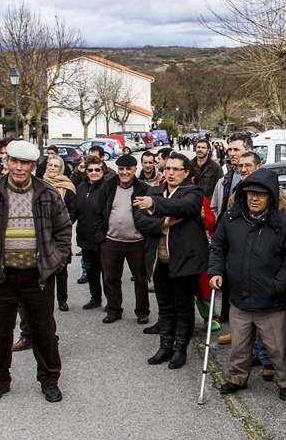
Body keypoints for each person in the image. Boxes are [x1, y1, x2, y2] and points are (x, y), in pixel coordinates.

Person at [0, 140, 71, 403]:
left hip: (38, 276)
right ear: (6, 163)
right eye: (14, 161)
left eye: (25, 163)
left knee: (44, 331)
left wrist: (55, 261)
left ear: (34, 166)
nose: (19, 168)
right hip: (0, 276)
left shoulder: (48, 194)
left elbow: (63, 232)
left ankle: (49, 381)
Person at [208, 167, 286, 399]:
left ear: (271, 196)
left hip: (270, 299)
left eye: (260, 194)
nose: (254, 198)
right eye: (250, 193)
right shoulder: (231, 219)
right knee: (239, 346)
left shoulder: (283, 224)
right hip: (239, 297)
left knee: (278, 348)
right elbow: (218, 247)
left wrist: (278, 284)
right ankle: (237, 378)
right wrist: (216, 271)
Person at [134, 152, 209, 369]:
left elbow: (185, 208)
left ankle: (180, 348)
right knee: (165, 305)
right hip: (159, 260)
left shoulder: (193, 191)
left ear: (186, 172)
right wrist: (163, 223)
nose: (171, 172)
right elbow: (140, 221)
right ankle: (165, 345)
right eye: (168, 168)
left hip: (184, 260)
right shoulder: (155, 191)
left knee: (183, 305)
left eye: (176, 169)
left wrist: (153, 206)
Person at [95, 154, 150, 325]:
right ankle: (113, 309)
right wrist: (101, 238)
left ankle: (142, 311)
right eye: (121, 169)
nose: (124, 172)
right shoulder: (107, 187)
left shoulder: (143, 188)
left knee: (141, 279)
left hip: (137, 242)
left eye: (128, 169)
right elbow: (98, 214)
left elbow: (150, 214)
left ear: (135, 169)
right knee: (111, 277)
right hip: (111, 241)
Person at [40, 155, 76, 311]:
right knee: (42, 268)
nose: (52, 168)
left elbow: (73, 211)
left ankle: (62, 299)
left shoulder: (68, 187)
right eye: (50, 165)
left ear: (61, 169)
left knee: (61, 269)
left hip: (60, 233)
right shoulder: (38, 185)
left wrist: (61, 224)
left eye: (56, 166)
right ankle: (43, 299)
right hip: (41, 233)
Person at [73, 155, 108, 311]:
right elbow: (74, 211)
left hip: (103, 237)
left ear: (102, 170)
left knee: (107, 273)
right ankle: (95, 298)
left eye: (97, 169)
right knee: (91, 271)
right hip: (85, 236)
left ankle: (112, 302)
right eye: (90, 170)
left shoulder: (108, 188)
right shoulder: (80, 188)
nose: (94, 173)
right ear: (86, 171)